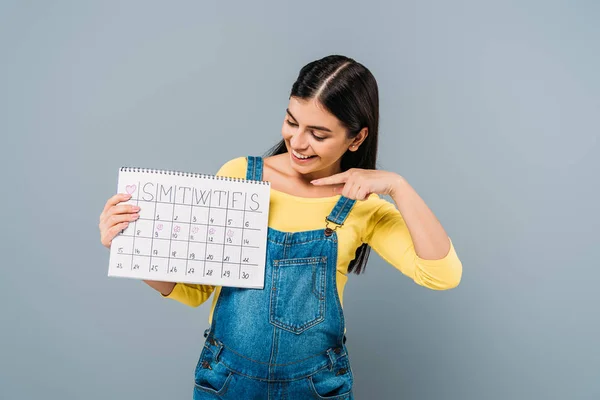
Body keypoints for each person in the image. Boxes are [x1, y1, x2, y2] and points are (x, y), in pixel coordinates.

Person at [98, 54, 463, 399]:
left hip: (317, 386)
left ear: (357, 138)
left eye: (318, 134)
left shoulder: (363, 207)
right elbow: (194, 290)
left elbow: (442, 274)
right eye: (292, 122)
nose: (298, 142)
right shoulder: (241, 176)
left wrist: (398, 185)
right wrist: (130, 247)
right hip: (226, 381)